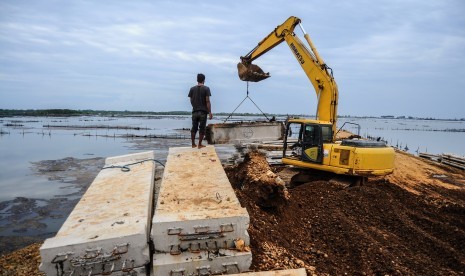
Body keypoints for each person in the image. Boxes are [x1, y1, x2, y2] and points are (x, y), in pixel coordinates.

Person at [188, 73, 213, 148]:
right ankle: (199, 144)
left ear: (197, 80)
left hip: (195, 111)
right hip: (203, 112)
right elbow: (207, 101)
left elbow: (191, 100)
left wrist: (195, 106)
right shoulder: (206, 88)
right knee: (202, 128)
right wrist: (210, 112)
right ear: (204, 80)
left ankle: (193, 144)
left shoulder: (192, 89)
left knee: (194, 128)